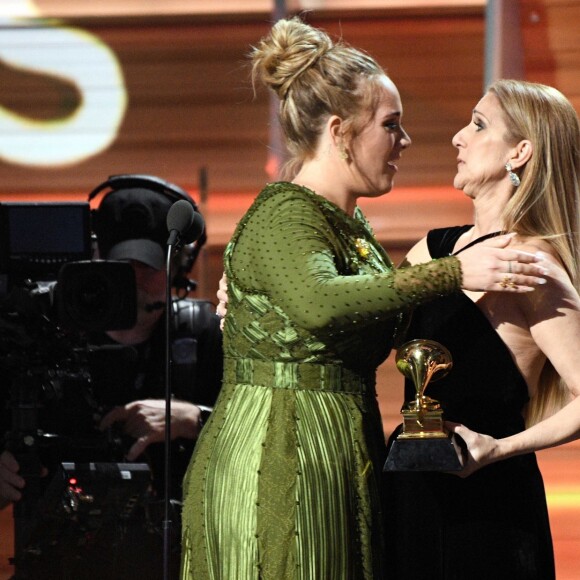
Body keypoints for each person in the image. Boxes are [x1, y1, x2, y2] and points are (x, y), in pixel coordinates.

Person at [179, 17, 549, 580]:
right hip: (278, 455)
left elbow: (376, 308)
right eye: (390, 124)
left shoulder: (352, 231)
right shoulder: (286, 210)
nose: (405, 140)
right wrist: (453, 272)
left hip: (339, 446)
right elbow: (321, 302)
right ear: (339, 131)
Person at [382, 79, 580, 580]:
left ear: (520, 152)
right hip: (410, 493)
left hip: (490, 506)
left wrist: (499, 449)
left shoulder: (532, 264)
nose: (457, 137)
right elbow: (361, 324)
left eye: (478, 124)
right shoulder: (432, 249)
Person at [0, 175, 223, 579]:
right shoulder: (38, 336)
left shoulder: (207, 335)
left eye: (147, 266)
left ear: (180, 267)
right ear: (95, 256)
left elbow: (265, 440)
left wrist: (195, 420)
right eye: (121, 265)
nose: (132, 280)